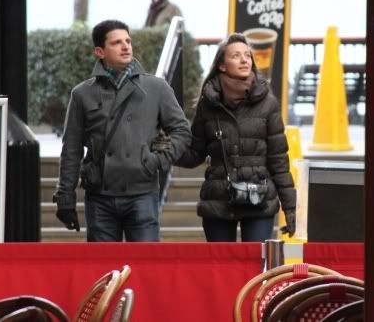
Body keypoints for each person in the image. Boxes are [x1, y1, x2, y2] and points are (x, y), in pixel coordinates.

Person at [53, 19, 191, 242]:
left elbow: (182, 131)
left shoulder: (156, 88)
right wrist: (65, 196)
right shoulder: (82, 94)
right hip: (100, 197)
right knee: (105, 269)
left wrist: (155, 161)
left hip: (142, 192)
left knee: (146, 268)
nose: (126, 46)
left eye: (128, 40)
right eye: (117, 43)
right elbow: (72, 148)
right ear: (100, 51)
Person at [175, 33, 296, 242]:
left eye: (247, 55)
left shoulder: (268, 103)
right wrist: (168, 148)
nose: (244, 60)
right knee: (220, 270)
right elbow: (195, 153)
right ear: (222, 65)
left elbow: (278, 160)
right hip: (219, 199)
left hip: (259, 198)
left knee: (257, 269)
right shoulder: (208, 104)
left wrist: (290, 208)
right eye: (236, 56)